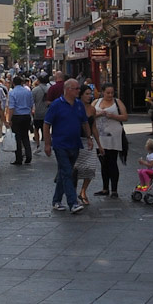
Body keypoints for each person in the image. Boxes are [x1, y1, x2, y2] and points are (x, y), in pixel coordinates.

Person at [43, 78, 93, 213]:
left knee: (63, 173)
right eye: (76, 89)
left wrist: (89, 137)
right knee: (67, 172)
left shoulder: (78, 104)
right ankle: (73, 203)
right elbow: (47, 124)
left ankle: (56, 200)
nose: (78, 91)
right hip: (60, 144)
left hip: (75, 143)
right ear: (68, 90)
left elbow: (84, 122)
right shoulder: (56, 105)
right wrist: (47, 144)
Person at [92, 84, 128, 198]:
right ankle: (105, 188)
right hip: (100, 137)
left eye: (112, 93)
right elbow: (89, 116)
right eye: (108, 93)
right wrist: (99, 114)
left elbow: (125, 117)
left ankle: (114, 189)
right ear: (102, 92)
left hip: (114, 136)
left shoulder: (117, 102)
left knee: (112, 162)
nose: (110, 95)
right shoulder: (96, 102)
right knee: (103, 163)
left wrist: (113, 116)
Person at [74, 83, 103, 204]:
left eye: (90, 94)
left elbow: (94, 127)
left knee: (91, 168)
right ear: (80, 95)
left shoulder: (92, 109)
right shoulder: (75, 107)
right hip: (76, 141)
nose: (89, 96)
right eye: (87, 94)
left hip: (89, 141)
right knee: (75, 169)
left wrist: (99, 145)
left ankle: (83, 191)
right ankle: (73, 193)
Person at [6, 75, 34, 165]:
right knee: (25, 136)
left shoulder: (12, 93)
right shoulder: (27, 91)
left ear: (13, 83)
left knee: (17, 138)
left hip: (17, 116)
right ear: (22, 82)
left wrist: (9, 119)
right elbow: (31, 104)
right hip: (26, 116)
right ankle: (28, 155)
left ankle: (19, 158)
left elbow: (11, 107)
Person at [32, 74, 50, 151]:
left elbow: (32, 101)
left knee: (36, 129)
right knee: (47, 128)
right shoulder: (50, 89)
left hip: (38, 112)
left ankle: (38, 144)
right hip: (48, 112)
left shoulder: (35, 90)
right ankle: (47, 143)